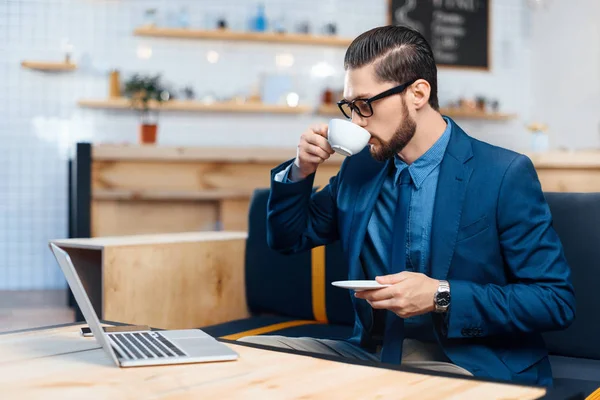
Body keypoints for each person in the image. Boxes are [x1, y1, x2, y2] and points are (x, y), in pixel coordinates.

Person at [238, 25, 575, 386]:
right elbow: (287, 239)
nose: (356, 122)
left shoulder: (502, 173)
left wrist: (440, 295)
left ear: (417, 92)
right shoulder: (359, 169)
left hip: (467, 361)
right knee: (248, 358)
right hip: (372, 353)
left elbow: (554, 300)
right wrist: (301, 170)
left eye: (366, 105)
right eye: (350, 106)